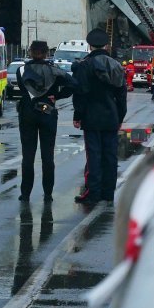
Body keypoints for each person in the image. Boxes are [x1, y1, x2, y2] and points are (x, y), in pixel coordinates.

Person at [71, 28, 127, 206]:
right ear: (106, 44)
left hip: (91, 117)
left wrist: (78, 115)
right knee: (110, 156)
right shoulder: (116, 66)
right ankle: (108, 192)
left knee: (93, 155)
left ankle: (93, 192)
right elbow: (122, 95)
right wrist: (119, 117)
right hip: (111, 116)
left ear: (89, 45)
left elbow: (80, 93)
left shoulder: (84, 66)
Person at [17, 40, 75, 202]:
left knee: (28, 155)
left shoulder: (21, 70)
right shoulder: (54, 71)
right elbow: (73, 84)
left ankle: (25, 193)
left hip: (27, 112)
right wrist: (56, 96)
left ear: (30, 52)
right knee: (47, 155)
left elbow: (23, 90)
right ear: (46, 53)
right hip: (48, 112)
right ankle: (48, 193)